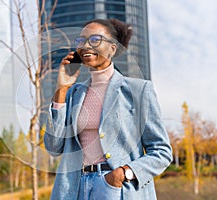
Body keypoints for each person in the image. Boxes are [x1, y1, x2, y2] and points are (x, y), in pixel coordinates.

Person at [44, 18, 173, 200]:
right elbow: (53, 146)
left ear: (112, 48)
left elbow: (161, 151)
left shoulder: (138, 90)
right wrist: (61, 89)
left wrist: (122, 174)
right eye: (81, 41)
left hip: (117, 188)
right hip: (75, 188)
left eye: (95, 40)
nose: (86, 46)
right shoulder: (74, 93)